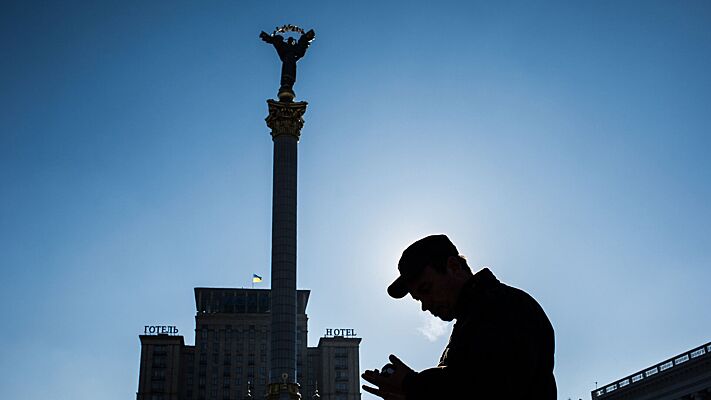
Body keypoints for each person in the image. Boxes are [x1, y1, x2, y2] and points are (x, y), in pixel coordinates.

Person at [362, 234, 556, 399]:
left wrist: (411, 384)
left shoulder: (501, 306)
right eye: (418, 299)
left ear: (454, 266)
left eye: (426, 289)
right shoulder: (477, 314)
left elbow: (482, 385)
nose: (425, 306)